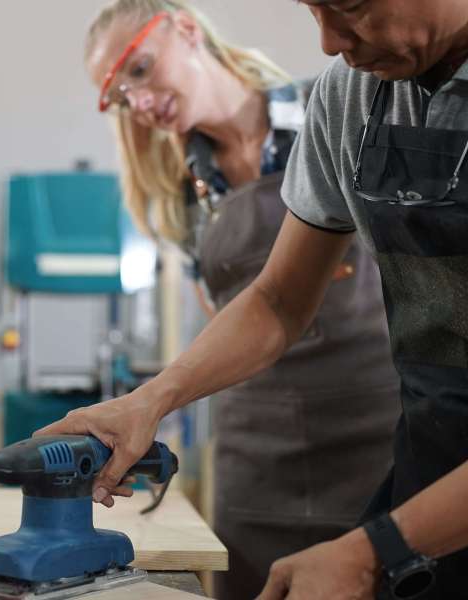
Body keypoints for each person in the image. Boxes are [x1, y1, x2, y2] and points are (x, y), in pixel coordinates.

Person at [43, 0, 468, 598]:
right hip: (440, 513)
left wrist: (370, 549)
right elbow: (281, 301)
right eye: (313, 9)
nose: (328, 42)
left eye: (348, 6)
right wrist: (152, 400)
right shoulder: (350, 94)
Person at [71, 1, 399, 598]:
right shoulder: (176, 195)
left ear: (187, 29)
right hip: (258, 454)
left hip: (381, 430)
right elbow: (238, 317)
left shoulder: (333, 113)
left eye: (139, 70)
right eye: (121, 95)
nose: (138, 102)